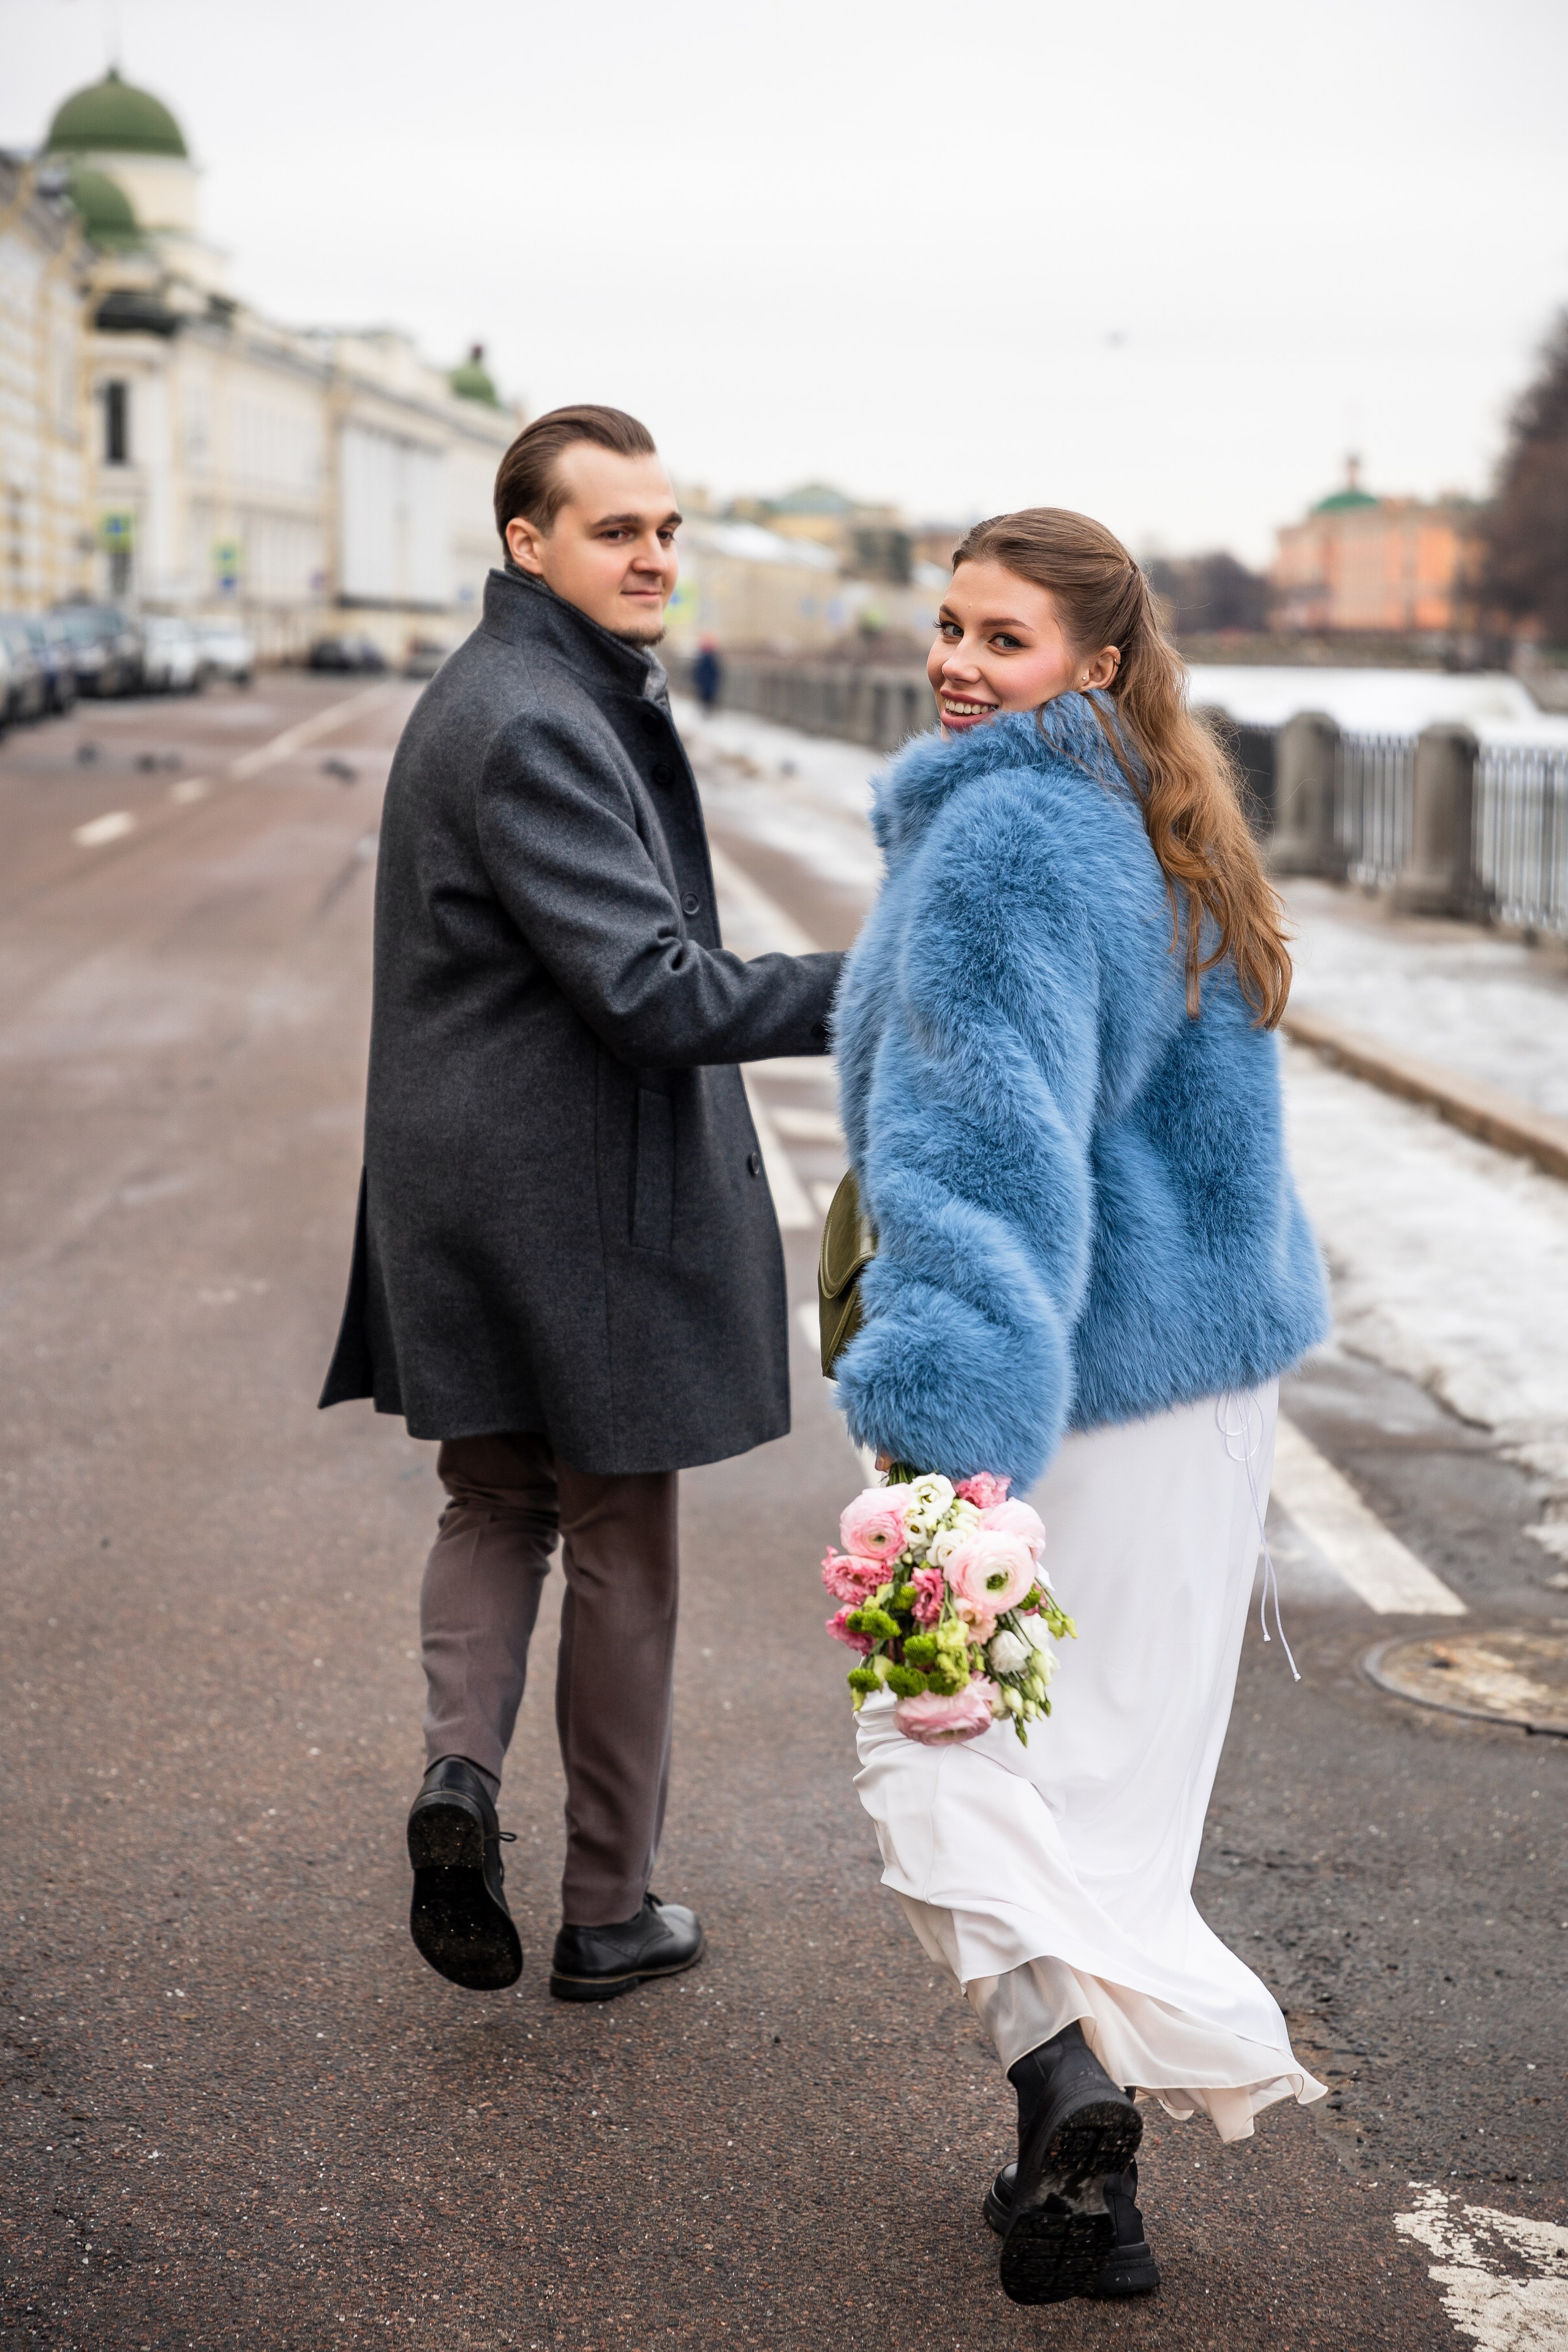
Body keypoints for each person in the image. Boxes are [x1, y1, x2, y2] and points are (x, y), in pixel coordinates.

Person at [829, 508, 1330, 2305]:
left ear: (1095, 662)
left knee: (932, 1734)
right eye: (949, 625)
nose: (958, 661)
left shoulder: (1003, 845)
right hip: (1211, 1395)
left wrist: (943, 1444)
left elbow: (981, 1172)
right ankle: (1087, 2196)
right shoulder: (1168, 825)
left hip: (1061, 1385)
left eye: (1006, 637)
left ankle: (1058, 2080)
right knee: (1106, 1793)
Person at [320, 405, 842, 2002]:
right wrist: (888, 975)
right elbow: (654, 994)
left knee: (492, 1500)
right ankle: (609, 1907)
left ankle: (458, 1791)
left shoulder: (512, 692)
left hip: (467, 1181)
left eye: (668, 529)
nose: (657, 557)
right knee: (622, 1532)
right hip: (571, 1195)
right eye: (617, 531)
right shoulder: (538, 717)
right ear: (524, 542)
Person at [692, 636, 723, 714]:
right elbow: (716, 672)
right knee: (708, 699)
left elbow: (697, 671)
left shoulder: (703, 658)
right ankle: (707, 713)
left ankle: (706, 713)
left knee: (705, 699)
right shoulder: (712, 658)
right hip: (708, 683)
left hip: (705, 683)